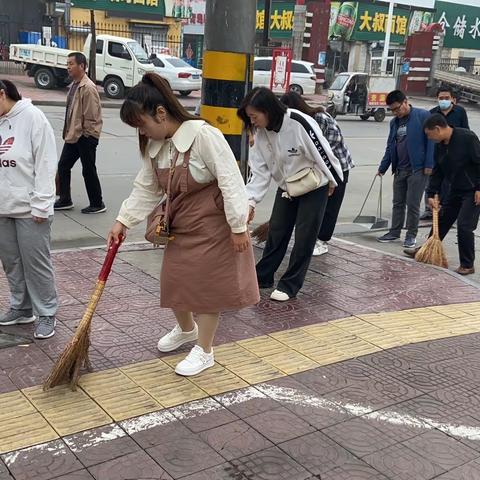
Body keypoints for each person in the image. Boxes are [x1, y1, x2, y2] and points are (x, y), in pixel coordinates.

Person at [108, 73, 259, 376]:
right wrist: (123, 220)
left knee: (205, 290)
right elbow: (146, 189)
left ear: (160, 113)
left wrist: (238, 227)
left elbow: (231, 182)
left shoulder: (203, 136)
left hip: (213, 226)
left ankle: (205, 350)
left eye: (142, 124)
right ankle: (186, 330)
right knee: (175, 281)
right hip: (180, 225)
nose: (142, 132)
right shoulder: (157, 146)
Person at [237, 87, 343, 302]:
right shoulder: (261, 133)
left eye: (254, 116)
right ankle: (263, 276)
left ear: (267, 110)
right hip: (287, 188)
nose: (253, 121)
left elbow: (324, 153)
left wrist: (333, 181)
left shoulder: (299, 122)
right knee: (277, 231)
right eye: (250, 117)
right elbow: (259, 171)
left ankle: (290, 284)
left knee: (305, 237)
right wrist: (250, 201)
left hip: (314, 186)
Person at [0, 80, 58, 338]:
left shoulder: (33, 118)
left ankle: (46, 313)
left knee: (36, 264)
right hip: (3, 207)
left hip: (30, 209)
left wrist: (42, 204)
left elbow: (46, 163)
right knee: (11, 262)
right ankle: (21, 308)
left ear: (2, 94)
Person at [280, 91, 354, 256]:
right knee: (317, 206)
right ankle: (312, 238)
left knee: (330, 207)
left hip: (336, 168)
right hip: (319, 168)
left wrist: (329, 180)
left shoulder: (318, 119)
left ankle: (322, 240)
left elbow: (322, 153)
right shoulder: (302, 121)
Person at [406, 114, 480, 275]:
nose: (429, 138)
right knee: (442, 220)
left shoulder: (467, 138)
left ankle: (467, 264)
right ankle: (426, 248)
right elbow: (437, 171)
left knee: (464, 226)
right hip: (455, 189)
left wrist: (479, 188)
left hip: (473, 191)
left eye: (429, 134)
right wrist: (432, 193)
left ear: (437, 129)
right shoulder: (440, 145)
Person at [377, 90, 434, 249]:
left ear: (405, 102)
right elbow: (390, 147)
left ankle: (411, 236)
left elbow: (431, 142)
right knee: (398, 203)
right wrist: (383, 167)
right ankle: (394, 232)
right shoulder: (394, 123)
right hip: (400, 169)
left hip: (418, 169)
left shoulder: (422, 116)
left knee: (413, 204)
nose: (395, 112)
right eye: (392, 110)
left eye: (397, 108)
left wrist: (429, 164)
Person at [54, 52, 105, 214]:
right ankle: (65, 199)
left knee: (88, 169)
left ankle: (97, 203)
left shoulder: (87, 87)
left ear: (81, 66)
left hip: (84, 136)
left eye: (71, 64)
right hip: (74, 135)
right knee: (63, 166)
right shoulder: (75, 84)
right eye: (67, 64)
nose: (68, 67)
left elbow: (91, 115)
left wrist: (87, 136)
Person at [420, 85, 470, 220]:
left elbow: (466, 131)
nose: (443, 100)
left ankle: (450, 211)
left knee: (450, 185)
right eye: (441, 98)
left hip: (456, 155)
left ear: (452, 99)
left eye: (446, 98)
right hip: (439, 152)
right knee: (433, 181)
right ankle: (430, 210)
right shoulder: (432, 113)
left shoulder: (460, 112)